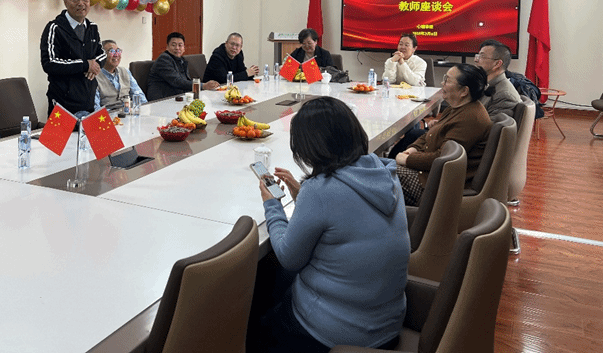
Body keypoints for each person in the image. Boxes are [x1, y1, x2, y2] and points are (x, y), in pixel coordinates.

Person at [256, 97, 409, 352]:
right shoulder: (384, 173)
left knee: (258, 313)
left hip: (335, 333)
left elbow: (288, 257)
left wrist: (272, 204)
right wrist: (302, 195)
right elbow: (344, 220)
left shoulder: (320, 191)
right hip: (388, 323)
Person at [395, 63, 491, 206]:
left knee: (372, 177)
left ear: (464, 91)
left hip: (430, 184)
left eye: (447, 80)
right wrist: (412, 149)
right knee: (372, 167)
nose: (442, 83)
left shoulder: (471, 118)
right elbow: (429, 135)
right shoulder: (457, 107)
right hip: (427, 174)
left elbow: (443, 159)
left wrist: (408, 159)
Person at [40, 0, 105, 117]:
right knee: (61, 134)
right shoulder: (54, 28)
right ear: (65, 2)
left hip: (89, 101)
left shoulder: (92, 27)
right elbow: (49, 64)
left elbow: (102, 54)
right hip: (62, 105)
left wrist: (95, 65)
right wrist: (85, 65)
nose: (81, 3)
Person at [147, 32, 219, 101]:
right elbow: (177, 81)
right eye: (173, 45)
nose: (177, 48)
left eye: (180, 45)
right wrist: (203, 86)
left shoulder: (181, 60)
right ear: (167, 47)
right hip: (161, 100)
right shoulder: (163, 59)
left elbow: (185, 81)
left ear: (184, 48)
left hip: (177, 97)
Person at [94, 40, 147, 113]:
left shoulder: (125, 71)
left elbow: (138, 95)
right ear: (101, 55)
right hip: (109, 116)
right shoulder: (95, 76)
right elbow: (96, 109)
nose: (116, 55)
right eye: (112, 51)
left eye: (118, 51)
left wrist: (145, 111)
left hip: (130, 113)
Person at [476, 39, 521, 117]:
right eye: (478, 56)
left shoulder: (505, 95)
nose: (476, 60)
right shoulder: (487, 84)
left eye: (482, 56)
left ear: (497, 64)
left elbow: (492, 124)